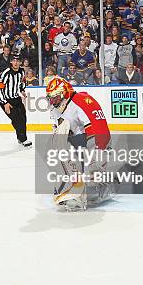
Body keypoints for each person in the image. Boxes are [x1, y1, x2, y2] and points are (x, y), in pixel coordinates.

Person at [45, 76, 112, 212]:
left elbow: (97, 128)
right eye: (51, 98)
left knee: (91, 174)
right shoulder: (56, 108)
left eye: (56, 97)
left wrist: (96, 151)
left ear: (65, 93)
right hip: (79, 141)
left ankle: (93, 190)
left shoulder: (80, 101)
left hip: (96, 141)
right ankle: (73, 189)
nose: (53, 101)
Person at [0, 54, 31, 147]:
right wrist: (5, 103)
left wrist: (22, 90)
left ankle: (20, 137)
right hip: (6, 100)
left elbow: (22, 81)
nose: (15, 63)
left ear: (20, 62)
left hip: (16, 98)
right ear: (11, 62)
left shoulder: (22, 71)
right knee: (17, 119)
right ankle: (23, 139)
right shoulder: (6, 73)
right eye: (14, 61)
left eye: (17, 61)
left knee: (23, 118)